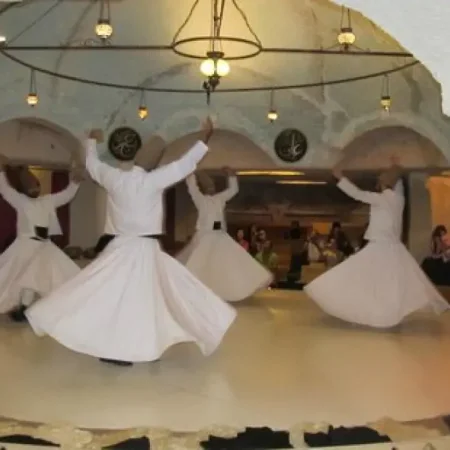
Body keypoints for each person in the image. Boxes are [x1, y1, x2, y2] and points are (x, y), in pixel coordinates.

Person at [26, 119, 237, 366]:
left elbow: (92, 165)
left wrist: (91, 140)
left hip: (119, 249)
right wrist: (205, 137)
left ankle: (123, 345)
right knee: (146, 300)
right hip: (145, 251)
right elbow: (186, 163)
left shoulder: (114, 178)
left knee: (112, 297)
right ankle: (139, 346)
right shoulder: (154, 180)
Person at [304, 157, 449, 328]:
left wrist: (340, 177)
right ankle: (386, 313)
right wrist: (395, 166)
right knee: (388, 283)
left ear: (382, 184)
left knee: (358, 276)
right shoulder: (398, 199)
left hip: (379, 247)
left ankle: (373, 312)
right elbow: (398, 184)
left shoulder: (380, 199)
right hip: (394, 249)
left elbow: (356, 193)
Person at [0, 159, 82, 321]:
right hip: (25, 245)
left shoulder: (48, 201)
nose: (34, 188)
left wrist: (75, 181)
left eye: (36, 185)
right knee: (23, 276)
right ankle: (21, 308)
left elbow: (67, 195)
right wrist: (1, 171)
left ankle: (28, 308)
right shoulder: (21, 201)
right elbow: (5, 189)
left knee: (53, 275)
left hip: (45, 246)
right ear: (23, 189)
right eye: (30, 186)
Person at [177, 168, 272, 302]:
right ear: (204, 189)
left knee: (227, 264)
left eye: (212, 186)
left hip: (219, 236)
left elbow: (233, 190)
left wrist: (231, 176)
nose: (211, 188)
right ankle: (195, 291)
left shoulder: (219, 198)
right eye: (208, 186)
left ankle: (221, 291)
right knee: (199, 265)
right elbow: (192, 188)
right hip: (205, 236)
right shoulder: (200, 199)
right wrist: (190, 173)